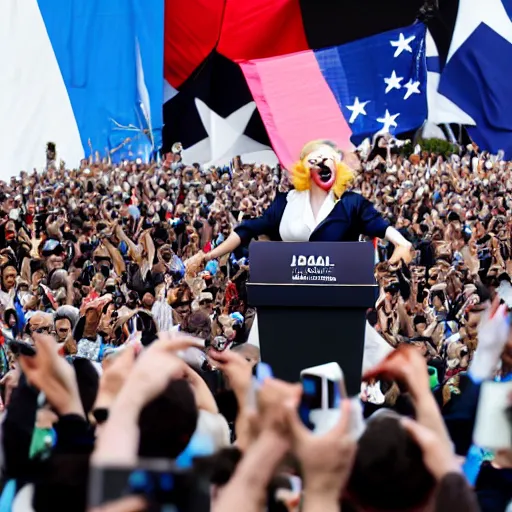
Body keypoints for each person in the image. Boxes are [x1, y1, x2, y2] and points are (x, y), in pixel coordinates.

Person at [187, 140, 413, 269]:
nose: (323, 165)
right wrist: (207, 256)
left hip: (340, 298)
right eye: (316, 161)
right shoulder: (284, 203)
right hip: (291, 298)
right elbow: (246, 230)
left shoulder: (352, 204)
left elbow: (384, 230)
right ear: (304, 169)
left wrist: (401, 245)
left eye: (329, 160)